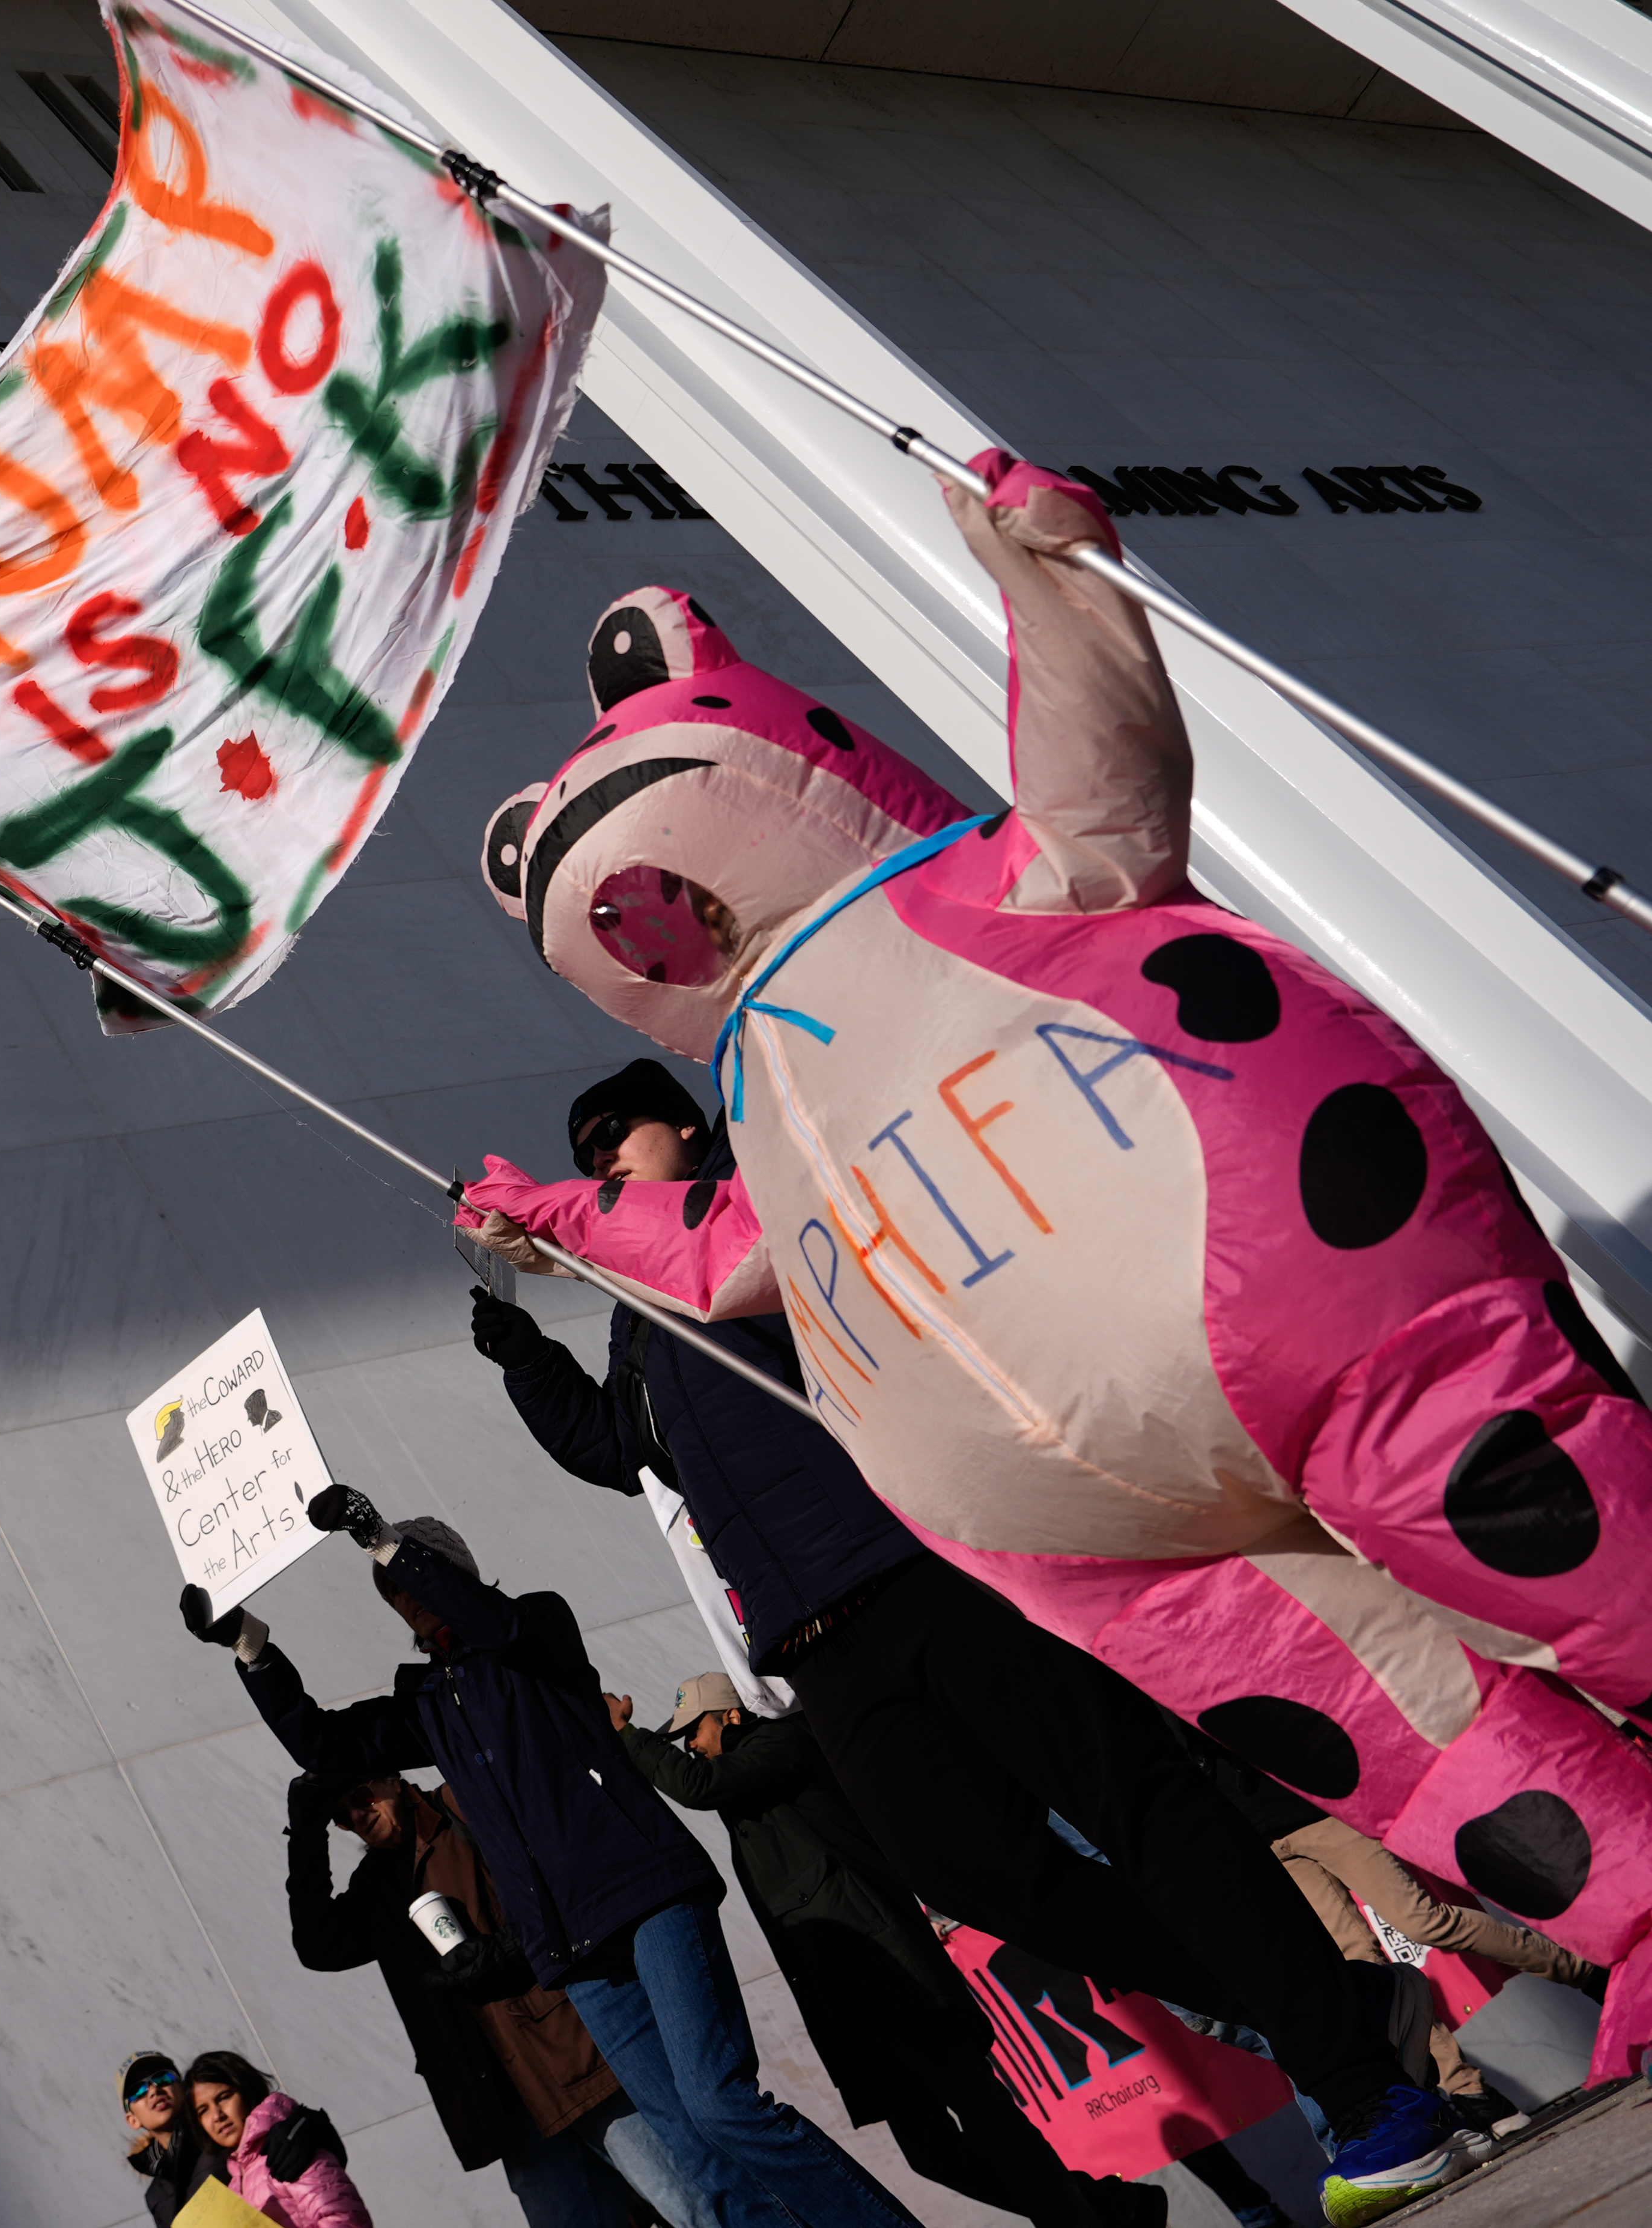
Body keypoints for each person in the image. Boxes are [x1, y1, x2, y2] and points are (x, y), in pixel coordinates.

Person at [465, 472, 1652, 2199]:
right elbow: (706, 1257)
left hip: (1295, 1304)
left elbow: (1101, 786)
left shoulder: (954, 895)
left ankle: (1378, 2057)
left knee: (1564, 1544)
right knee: (1408, 1729)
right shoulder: (770, 1134)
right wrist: (548, 1222)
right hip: (1109, 1544)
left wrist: (1045, 579)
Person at [464, 1060, 1453, 2221]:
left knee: (1138, 1807)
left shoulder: (761, 1205)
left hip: (931, 1569)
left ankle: (1366, 2090)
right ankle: (1323, 2001)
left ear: (684, 1122)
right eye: (582, 1155)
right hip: (817, 1642)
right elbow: (607, 1442)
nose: (597, 1161)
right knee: (968, 1868)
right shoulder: (640, 1317)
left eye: (610, 1135)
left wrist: (595, 1223)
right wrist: (511, 1327)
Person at [182, 1500, 919, 2228]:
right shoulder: (432, 1702)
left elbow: (493, 1623)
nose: (404, 1595)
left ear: (453, 1571)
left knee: (720, 2104)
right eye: (392, 1591)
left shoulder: (537, 1628)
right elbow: (325, 1745)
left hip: (647, 1895)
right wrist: (250, 1646)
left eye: (413, 1576)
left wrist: (384, 1542)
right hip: (572, 1945)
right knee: (691, 2154)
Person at [619, 1674, 1165, 2228]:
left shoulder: (782, 1744)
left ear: (733, 1716)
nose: (690, 1742)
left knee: (986, 2115)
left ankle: (1086, 2219)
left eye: (695, 1729)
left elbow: (695, 1785)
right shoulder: (749, 1791)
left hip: (895, 1978)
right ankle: (1116, 2208)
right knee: (932, 2152)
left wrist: (627, 1737)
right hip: (854, 1996)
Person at [291, 1770, 715, 2227]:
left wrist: (511, 1948)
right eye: (341, 1815)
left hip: (580, 2061)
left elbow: (570, 1883)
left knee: (691, 2201)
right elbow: (319, 1945)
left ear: (392, 1778)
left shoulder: (461, 1806)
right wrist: (305, 1830)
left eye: (362, 1795)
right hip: (501, 2097)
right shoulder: (376, 1884)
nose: (357, 1815)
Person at [1169, 1716, 1608, 2125]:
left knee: (1424, 1921)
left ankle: (1584, 1971)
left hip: (1318, 1810)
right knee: (1362, 1968)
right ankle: (1467, 2089)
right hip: (1264, 1842)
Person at [184, 2049, 375, 2228]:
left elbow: (346, 2220)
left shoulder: (291, 2147)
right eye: (203, 2110)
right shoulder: (235, 2182)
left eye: (224, 2097)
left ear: (247, 2090)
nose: (217, 2115)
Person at [120, 2049, 228, 2228]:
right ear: (133, 2120)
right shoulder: (157, 2196)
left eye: (163, 2078)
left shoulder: (220, 2133)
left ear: (182, 2088)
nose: (154, 2090)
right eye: (138, 2091)